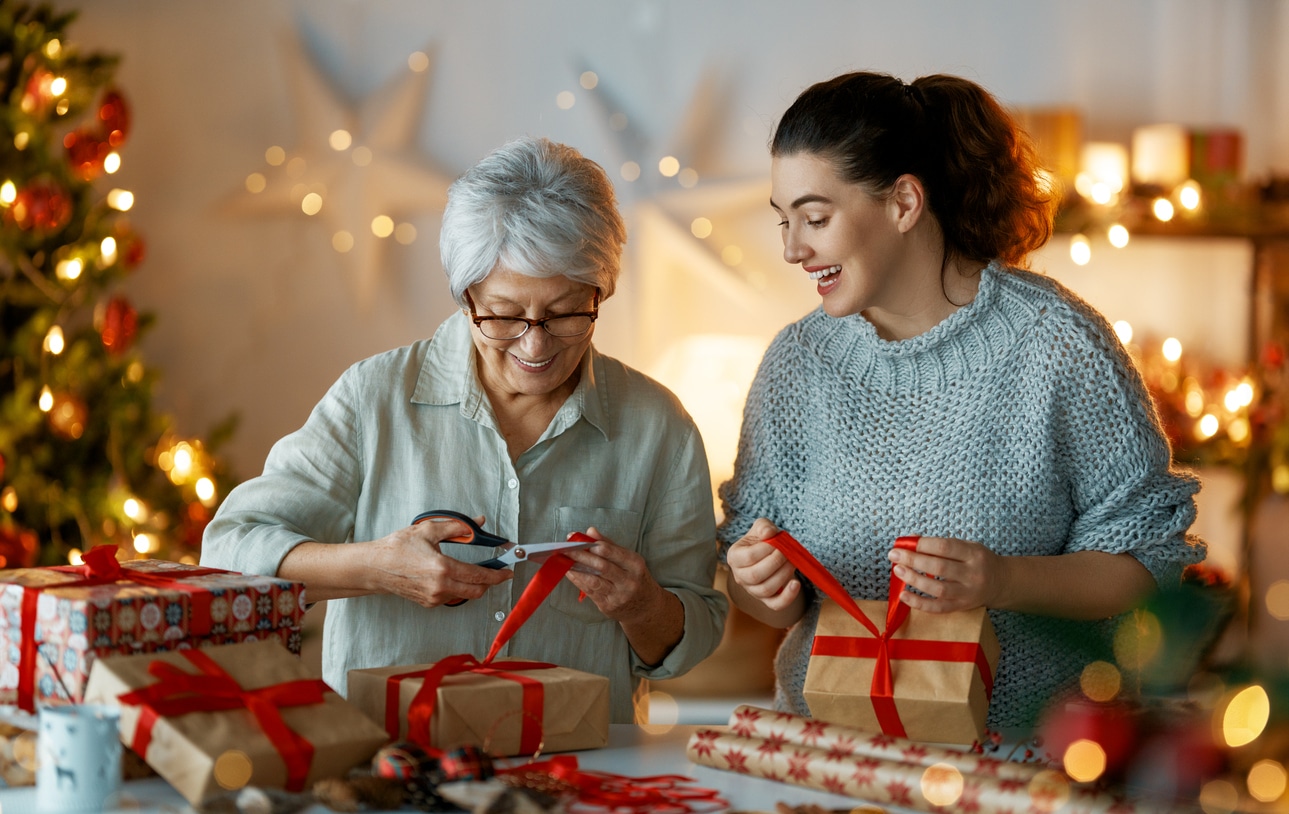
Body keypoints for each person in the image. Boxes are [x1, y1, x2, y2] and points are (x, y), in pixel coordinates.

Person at [719, 71, 1205, 729]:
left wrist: (1002, 581)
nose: (790, 249)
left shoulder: (1056, 343)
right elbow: (771, 605)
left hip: (1020, 768)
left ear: (902, 203)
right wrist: (757, 582)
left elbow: (1148, 566)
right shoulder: (795, 364)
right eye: (783, 221)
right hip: (827, 762)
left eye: (814, 217)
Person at [201, 136, 727, 723]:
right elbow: (228, 552)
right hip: (391, 771)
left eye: (564, 314)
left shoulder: (660, 429)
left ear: (599, 291)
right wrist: (377, 567)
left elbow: (695, 636)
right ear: (465, 295)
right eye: (504, 315)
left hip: (578, 775)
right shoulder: (373, 398)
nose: (535, 344)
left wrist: (643, 606)